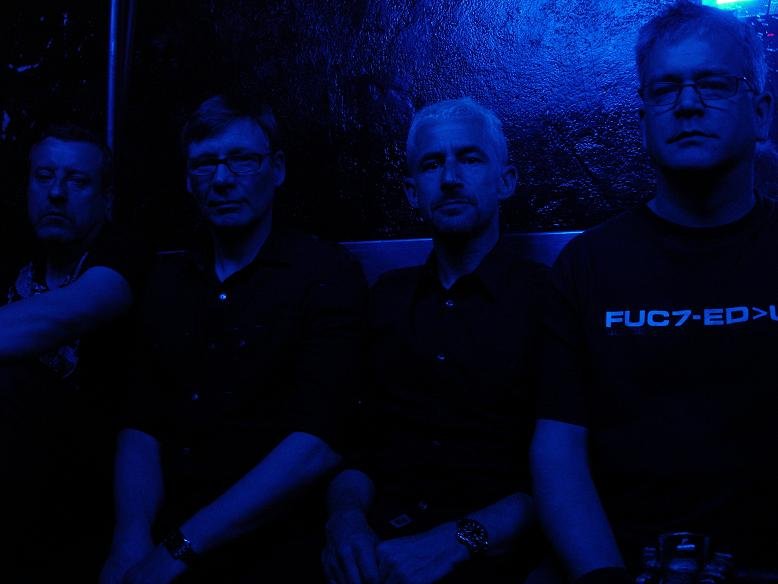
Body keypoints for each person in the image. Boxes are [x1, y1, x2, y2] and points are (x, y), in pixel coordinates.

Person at [532, 2, 777, 581]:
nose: (687, 104)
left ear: (761, 112)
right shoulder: (586, 266)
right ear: (644, 119)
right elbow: (559, 448)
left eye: (713, 84)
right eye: (665, 89)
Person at [101, 94, 367, 583]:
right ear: (188, 180)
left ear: (277, 169)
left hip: (273, 544)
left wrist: (176, 550)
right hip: (164, 530)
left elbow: (318, 442)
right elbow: (141, 421)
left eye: (242, 160)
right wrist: (130, 538)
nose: (222, 179)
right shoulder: (166, 281)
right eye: (205, 164)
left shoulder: (325, 274)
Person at [322, 97, 547, 584]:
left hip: (499, 559)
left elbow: (565, 468)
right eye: (430, 164)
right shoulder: (385, 299)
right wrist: (345, 520)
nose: (449, 178)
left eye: (469, 158)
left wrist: (458, 541)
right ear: (412, 192)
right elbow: (357, 446)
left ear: (506, 181)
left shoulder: (547, 299)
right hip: (380, 551)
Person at [0, 123, 149, 578]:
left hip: (83, 484)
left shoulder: (123, 251)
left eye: (77, 181)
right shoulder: (13, 253)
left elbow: (63, 316)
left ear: (106, 199)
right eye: (44, 177)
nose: (56, 193)